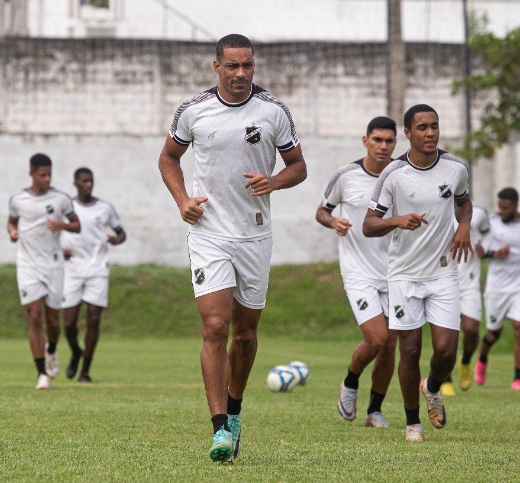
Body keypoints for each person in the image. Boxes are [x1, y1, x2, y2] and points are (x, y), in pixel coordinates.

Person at [158, 34, 307, 462]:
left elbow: (298, 166)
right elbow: (168, 158)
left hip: (255, 235)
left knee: (244, 334)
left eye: (248, 66)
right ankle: (220, 427)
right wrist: (183, 200)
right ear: (216, 66)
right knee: (214, 327)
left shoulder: (274, 111)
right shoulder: (193, 111)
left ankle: (236, 408)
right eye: (233, 66)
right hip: (208, 233)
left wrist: (274, 181)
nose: (241, 74)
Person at [363, 104, 473, 442]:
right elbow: (369, 225)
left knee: (446, 351)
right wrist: (397, 219)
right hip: (404, 275)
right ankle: (413, 423)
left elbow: (464, 201)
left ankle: (433, 386)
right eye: (422, 127)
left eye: (434, 126)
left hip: (442, 273)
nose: (430, 133)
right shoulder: (393, 174)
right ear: (408, 134)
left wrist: (464, 226)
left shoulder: (455, 168)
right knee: (409, 350)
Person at [316, 117, 398, 428]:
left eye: (389, 141)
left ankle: (374, 411)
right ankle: (351, 382)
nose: (383, 146)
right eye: (377, 140)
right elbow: (321, 211)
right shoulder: (346, 176)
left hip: (394, 272)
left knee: (391, 345)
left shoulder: (400, 175)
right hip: (358, 271)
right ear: (365, 140)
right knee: (377, 338)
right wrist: (333, 221)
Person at [7, 153, 81, 390]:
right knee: (34, 316)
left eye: (49, 174)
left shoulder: (61, 199)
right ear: (32, 173)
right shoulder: (18, 199)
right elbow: (11, 221)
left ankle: (51, 348)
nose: (47, 179)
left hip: (53, 265)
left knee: (52, 321)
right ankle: (41, 374)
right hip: (28, 265)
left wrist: (62, 225)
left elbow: (77, 224)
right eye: (42, 175)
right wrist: (12, 232)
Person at [60, 167, 127, 383]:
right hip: (72, 269)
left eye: (91, 181)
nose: (88, 184)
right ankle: (76, 352)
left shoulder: (104, 208)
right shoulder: (66, 208)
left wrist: (116, 240)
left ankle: (85, 371)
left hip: (97, 268)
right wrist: (59, 251)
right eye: (84, 181)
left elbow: (121, 232)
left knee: (93, 319)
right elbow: (52, 234)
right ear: (76, 183)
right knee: (69, 323)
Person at [474, 187, 520, 391]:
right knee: (493, 333)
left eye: (506, 207)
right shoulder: (491, 223)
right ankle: (483, 357)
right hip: (496, 287)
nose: (501, 211)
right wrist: (495, 253)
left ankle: (517, 380)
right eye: (500, 207)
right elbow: (480, 251)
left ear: (515, 206)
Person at [441, 204, 490, 396]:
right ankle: (446, 378)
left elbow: (488, 233)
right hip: (443, 282)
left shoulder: (478, 213)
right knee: (446, 336)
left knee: (471, 330)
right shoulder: (436, 209)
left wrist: (483, 247)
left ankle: (466, 360)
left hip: (469, 282)